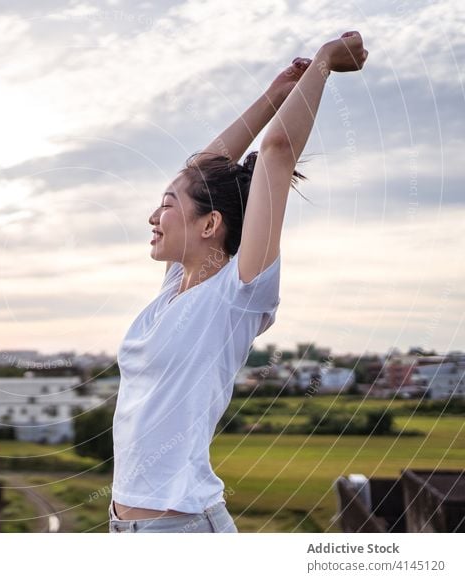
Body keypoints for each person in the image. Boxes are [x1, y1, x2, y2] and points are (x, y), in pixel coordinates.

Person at [108, 31, 368, 533]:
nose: (152, 217)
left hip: (182, 532)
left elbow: (276, 151)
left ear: (210, 226)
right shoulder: (173, 291)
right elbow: (198, 171)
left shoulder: (236, 294)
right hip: (127, 529)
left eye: (167, 206)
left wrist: (324, 63)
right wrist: (273, 93)